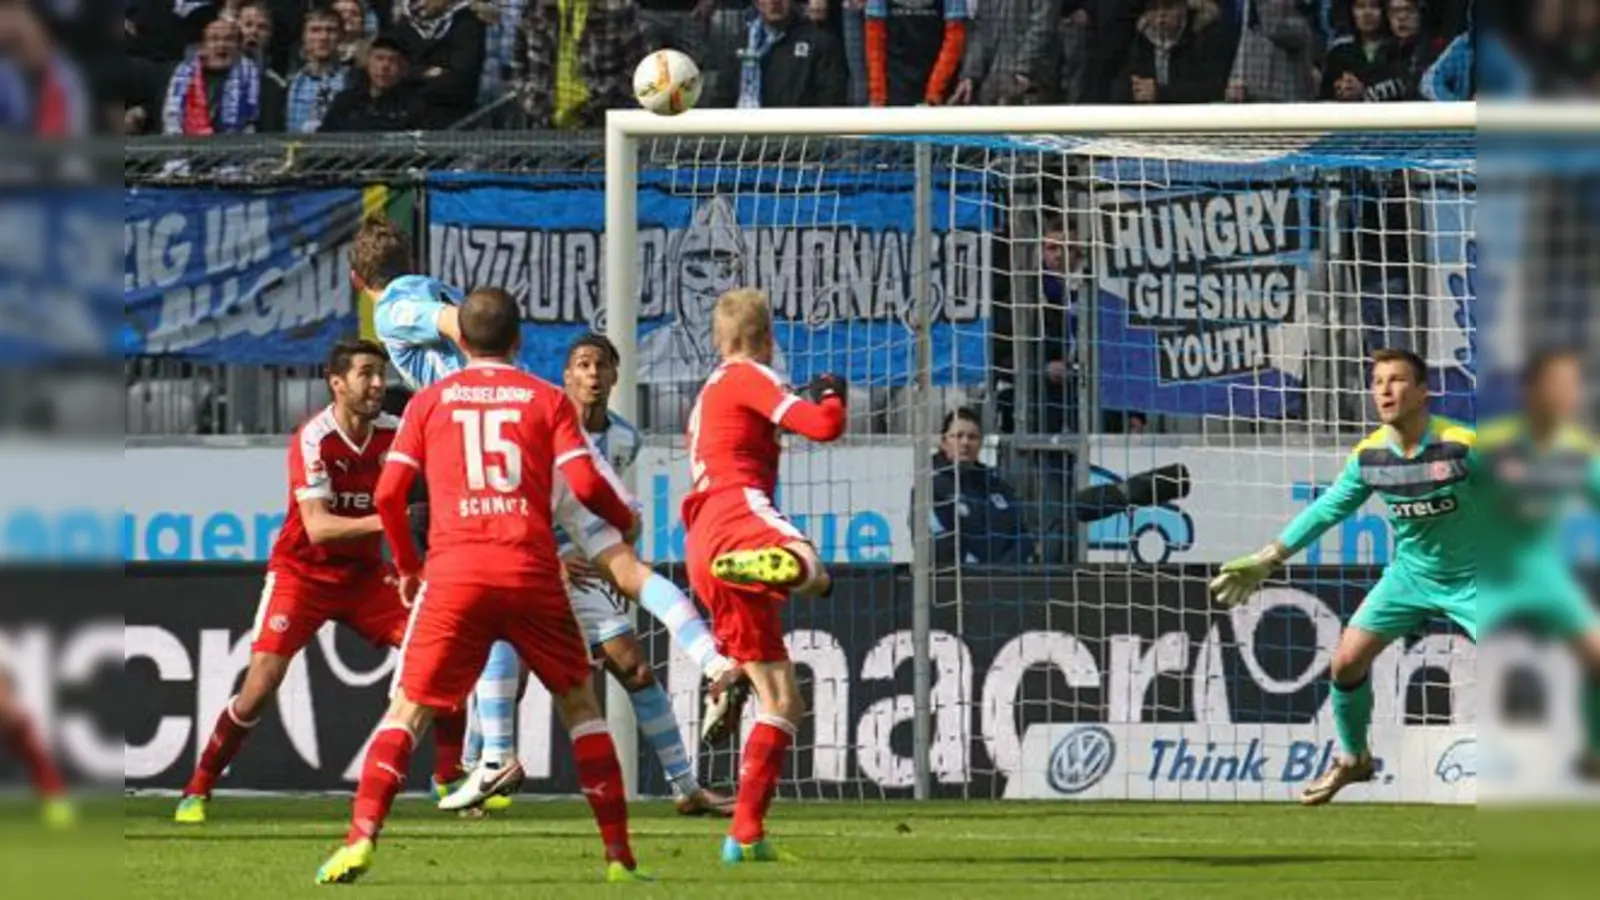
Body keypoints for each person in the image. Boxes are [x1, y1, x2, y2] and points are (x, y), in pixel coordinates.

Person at [353, 217, 746, 813]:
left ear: (359, 280)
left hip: (496, 443)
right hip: (527, 452)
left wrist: (477, 371)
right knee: (609, 570)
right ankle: (714, 665)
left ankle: (483, 766)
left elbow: (463, 327)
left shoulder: (395, 312)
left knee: (492, 606)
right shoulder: (430, 285)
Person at [316, 288, 648, 885]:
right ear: (519, 341)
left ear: (458, 340)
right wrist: (625, 520)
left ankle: (361, 838)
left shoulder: (429, 403)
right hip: (531, 570)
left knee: (407, 711)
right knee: (580, 706)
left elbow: (390, 497)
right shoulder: (548, 400)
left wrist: (411, 566)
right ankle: (619, 856)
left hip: (455, 573)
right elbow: (587, 486)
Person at [173, 339, 470, 825]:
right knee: (261, 685)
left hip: (365, 578)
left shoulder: (397, 434)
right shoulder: (314, 438)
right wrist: (389, 519)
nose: (378, 384)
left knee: (443, 649)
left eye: (381, 374)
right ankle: (199, 787)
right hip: (302, 573)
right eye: (366, 374)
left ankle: (448, 779)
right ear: (337, 383)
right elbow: (319, 527)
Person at [438, 333, 734, 817]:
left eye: (601, 365)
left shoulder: (623, 440)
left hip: (585, 570)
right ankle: (478, 767)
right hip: (528, 561)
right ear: (567, 376)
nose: (593, 374)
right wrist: (552, 557)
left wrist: (615, 551)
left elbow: (602, 507)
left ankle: (686, 787)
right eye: (582, 365)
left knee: (635, 669)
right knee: (508, 670)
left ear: (616, 376)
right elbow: (515, 498)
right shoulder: (537, 423)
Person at [1209, 348, 1480, 805]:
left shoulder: (1464, 446)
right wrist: (1268, 558)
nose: (1385, 391)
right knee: (1345, 663)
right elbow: (1328, 509)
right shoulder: (1371, 455)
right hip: (1410, 577)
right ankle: (1355, 759)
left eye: (1396, 381)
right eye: (1377, 383)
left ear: (1422, 392)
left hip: (1480, 576)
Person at [681, 287, 848, 863]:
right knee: (813, 569)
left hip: (702, 539)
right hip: (737, 516)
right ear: (765, 338)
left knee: (782, 698)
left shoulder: (705, 393)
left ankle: (744, 835)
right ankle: (771, 568)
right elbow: (823, 427)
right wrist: (832, 395)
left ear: (716, 337)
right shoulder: (750, 375)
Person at [1477, 350, 1600, 779]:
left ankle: (1594, 755)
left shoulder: (1580, 451)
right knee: (1458, 650)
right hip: (1486, 571)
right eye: (1554, 383)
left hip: (1542, 570)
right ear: (1530, 391)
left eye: (1572, 384)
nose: (1565, 394)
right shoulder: (1490, 445)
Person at [926, 407, 1032, 566]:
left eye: (972, 437)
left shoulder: (997, 485)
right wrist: (978, 573)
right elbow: (937, 540)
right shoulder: (930, 487)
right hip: (957, 583)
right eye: (958, 436)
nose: (965, 442)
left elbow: (1022, 536)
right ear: (944, 442)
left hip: (1006, 583)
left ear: (981, 443)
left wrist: (1005, 572)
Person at [0, 667, 73, 827]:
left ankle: (55, 802)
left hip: (11, 720)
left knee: (35, 756)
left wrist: (9, 711)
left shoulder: (16, 719)